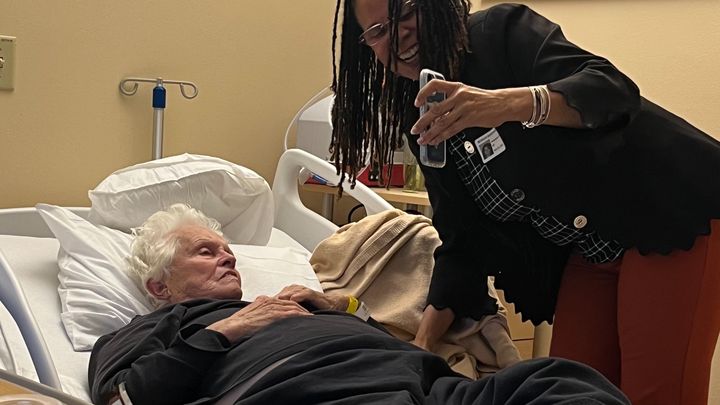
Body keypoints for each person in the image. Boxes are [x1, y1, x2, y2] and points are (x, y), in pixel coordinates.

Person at [328, 1, 720, 405]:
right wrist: (420, 347)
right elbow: (462, 240)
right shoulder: (421, 114)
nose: (398, 34)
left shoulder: (498, 32)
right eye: (378, 31)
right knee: (573, 393)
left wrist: (506, 104)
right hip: (593, 248)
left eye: (406, 11)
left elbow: (612, 90)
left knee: (656, 395)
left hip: (671, 212)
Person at [88, 204, 629, 405]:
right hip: (310, 393)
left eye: (228, 249)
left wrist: (339, 309)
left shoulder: (290, 302)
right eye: (205, 252)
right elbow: (127, 399)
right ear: (160, 287)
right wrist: (226, 331)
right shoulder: (149, 329)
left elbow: (385, 336)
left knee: (562, 382)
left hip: (431, 387)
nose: (228, 257)